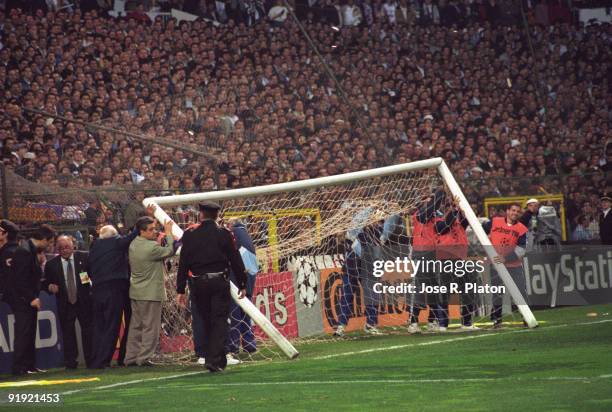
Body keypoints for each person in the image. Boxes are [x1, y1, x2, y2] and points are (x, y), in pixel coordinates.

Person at [176, 201, 247, 372]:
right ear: (216, 216)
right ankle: (214, 359)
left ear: (200, 215)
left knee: (206, 320)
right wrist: (242, 283)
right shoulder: (224, 234)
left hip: (198, 283)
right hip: (218, 282)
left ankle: (212, 357)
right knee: (219, 320)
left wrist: (180, 289)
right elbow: (235, 260)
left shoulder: (190, 234)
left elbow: (183, 263)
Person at [87, 221, 141, 369]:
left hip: (96, 291)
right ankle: (103, 361)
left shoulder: (94, 247)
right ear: (114, 235)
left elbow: (85, 270)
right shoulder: (116, 242)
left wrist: (87, 285)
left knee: (99, 327)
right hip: (114, 289)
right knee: (112, 325)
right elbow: (132, 236)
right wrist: (142, 221)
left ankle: (94, 360)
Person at [124, 216, 175, 367]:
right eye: (151, 229)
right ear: (141, 231)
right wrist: (169, 233)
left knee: (136, 327)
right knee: (150, 327)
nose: (154, 232)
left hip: (136, 292)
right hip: (151, 293)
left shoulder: (133, 244)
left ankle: (131, 357)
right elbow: (170, 250)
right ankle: (144, 358)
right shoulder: (151, 247)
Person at [5, 224, 56, 375]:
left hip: (27, 298)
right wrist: (31, 298)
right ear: (44, 239)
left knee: (30, 331)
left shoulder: (31, 251)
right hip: (21, 299)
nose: (50, 246)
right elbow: (20, 280)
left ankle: (29, 365)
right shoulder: (24, 252)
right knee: (23, 332)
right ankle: (19, 367)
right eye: (50, 242)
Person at [42, 235, 93, 369]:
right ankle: (71, 361)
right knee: (68, 333)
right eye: (61, 248)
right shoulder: (51, 265)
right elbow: (45, 282)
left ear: (73, 247)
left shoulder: (84, 258)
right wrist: (49, 286)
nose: (64, 250)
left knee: (88, 331)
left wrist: (89, 285)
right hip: (65, 303)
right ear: (57, 249)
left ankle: (91, 359)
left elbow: (90, 277)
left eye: (67, 247)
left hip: (83, 301)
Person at [435, 196, 478, 331]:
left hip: (460, 260)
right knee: (445, 293)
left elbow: (467, 219)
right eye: (448, 208)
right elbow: (445, 226)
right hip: (445, 261)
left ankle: (466, 322)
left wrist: (461, 207)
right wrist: (454, 209)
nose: (450, 210)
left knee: (467, 291)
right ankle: (443, 324)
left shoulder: (460, 224)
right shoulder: (438, 223)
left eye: (451, 208)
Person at [483, 203, 528, 328]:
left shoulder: (522, 229)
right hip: (495, 264)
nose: (515, 213)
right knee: (497, 293)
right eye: (513, 210)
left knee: (520, 292)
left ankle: (526, 316)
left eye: (517, 211)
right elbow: (480, 230)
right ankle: (497, 320)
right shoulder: (494, 221)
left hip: (514, 266)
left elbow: (522, 249)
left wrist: (506, 258)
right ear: (507, 211)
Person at [408, 191, 444, 334]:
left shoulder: (435, 216)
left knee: (434, 289)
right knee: (420, 289)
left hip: (433, 254)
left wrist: (455, 210)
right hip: (421, 254)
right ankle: (413, 322)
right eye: (427, 200)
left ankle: (431, 321)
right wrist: (441, 192)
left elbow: (445, 226)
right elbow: (431, 207)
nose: (429, 203)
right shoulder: (419, 215)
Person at [226, 219, 258, 361]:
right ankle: (250, 344)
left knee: (235, 315)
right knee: (247, 313)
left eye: (227, 224)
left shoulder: (234, 234)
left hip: (238, 280)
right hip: (250, 278)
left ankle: (233, 346)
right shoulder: (246, 236)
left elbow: (234, 258)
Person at [0, 220, 20, 304]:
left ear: (5, 234)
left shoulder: (9, 253)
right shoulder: (7, 250)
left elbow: (8, 277)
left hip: (12, 299)